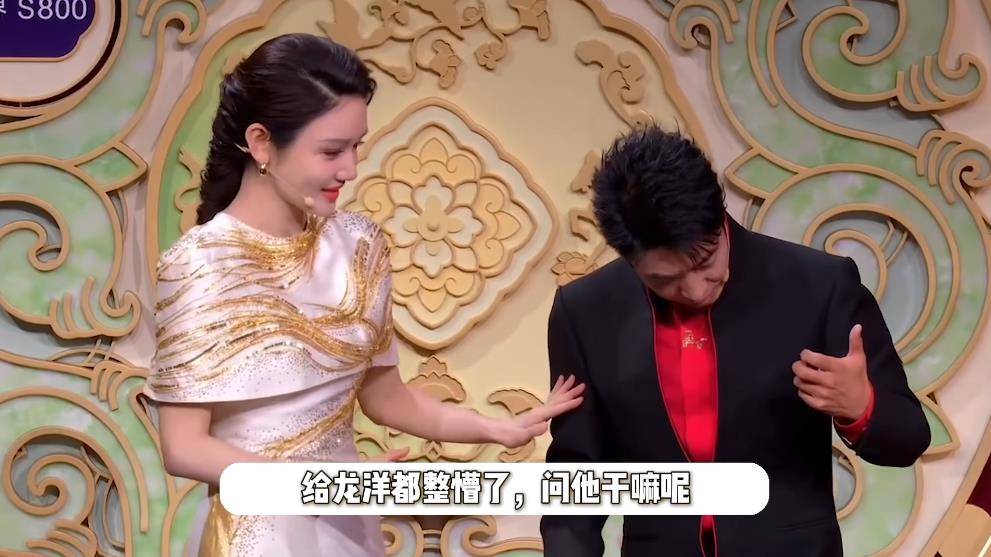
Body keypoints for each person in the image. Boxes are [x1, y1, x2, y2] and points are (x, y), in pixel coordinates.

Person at [142, 33, 584, 557]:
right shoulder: (201, 263)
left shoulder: (359, 244)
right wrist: (320, 488)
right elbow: (183, 448)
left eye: (355, 147)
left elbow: (385, 397)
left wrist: (496, 429)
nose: (350, 170)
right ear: (261, 143)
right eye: (331, 151)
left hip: (346, 527)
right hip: (256, 533)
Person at [540, 126, 929, 557]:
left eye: (705, 262)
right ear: (629, 259)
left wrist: (862, 406)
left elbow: (909, 438)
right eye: (663, 279)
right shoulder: (585, 313)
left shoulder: (819, 285)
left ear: (720, 217)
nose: (693, 290)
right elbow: (575, 483)